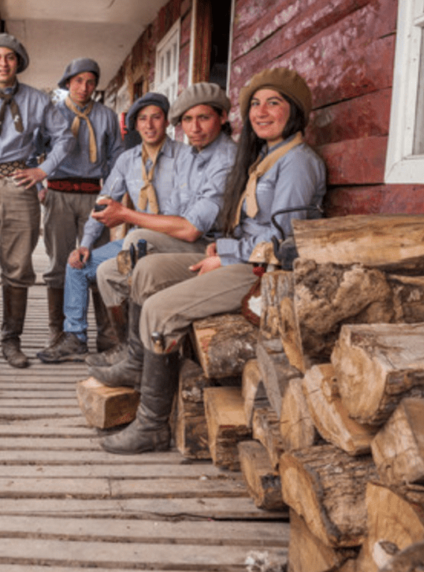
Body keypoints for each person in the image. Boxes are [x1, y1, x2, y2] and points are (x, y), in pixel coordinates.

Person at [98, 68, 326, 455]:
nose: (262, 111)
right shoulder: (265, 158)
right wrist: (221, 246)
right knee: (147, 267)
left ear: (295, 112)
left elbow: (284, 240)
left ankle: (152, 425)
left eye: (274, 103)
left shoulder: (297, 163)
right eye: (255, 103)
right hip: (239, 255)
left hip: (264, 273)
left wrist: (225, 254)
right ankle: (138, 359)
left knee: (157, 308)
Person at [82, 83, 237, 374]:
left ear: (223, 117)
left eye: (203, 118)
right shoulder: (193, 155)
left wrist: (127, 214)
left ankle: (138, 360)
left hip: (213, 246)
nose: (194, 128)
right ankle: (129, 348)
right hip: (186, 238)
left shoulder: (224, 159)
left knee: (138, 239)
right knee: (106, 272)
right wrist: (88, 239)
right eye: (188, 120)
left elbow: (191, 229)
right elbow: (111, 198)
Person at [0, 33, 75, 370]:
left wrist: (43, 170)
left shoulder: (38, 100)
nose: (3, 63)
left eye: (9, 57)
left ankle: (11, 342)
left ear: (18, 62)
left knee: (18, 268)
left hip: (20, 186)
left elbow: (64, 138)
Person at [36, 92, 186, 364]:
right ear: (135, 126)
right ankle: (75, 338)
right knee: (77, 265)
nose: (149, 125)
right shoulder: (127, 160)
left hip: (173, 241)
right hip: (137, 242)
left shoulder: (185, 158)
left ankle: (122, 343)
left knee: (131, 259)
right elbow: (104, 203)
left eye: (156, 118)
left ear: (167, 123)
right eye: (143, 119)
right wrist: (85, 244)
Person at [37, 58, 124, 357]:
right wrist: (40, 188)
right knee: (59, 265)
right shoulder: (51, 113)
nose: (84, 87)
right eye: (77, 81)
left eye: (90, 82)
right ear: (67, 83)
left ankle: (107, 336)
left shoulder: (107, 116)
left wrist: (112, 196)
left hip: (94, 196)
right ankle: (59, 332)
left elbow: (116, 158)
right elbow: (33, 151)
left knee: (96, 264)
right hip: (58, 194)